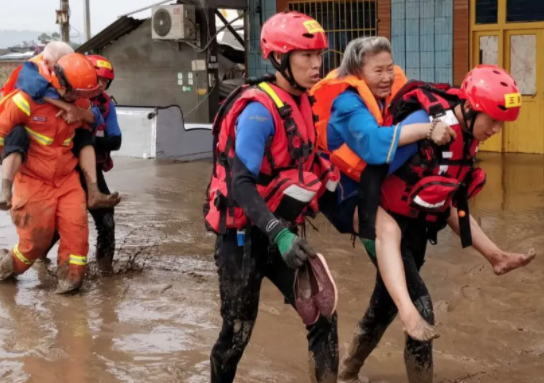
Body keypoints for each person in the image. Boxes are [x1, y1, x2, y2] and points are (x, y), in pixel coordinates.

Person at [337, 65, 536, 383]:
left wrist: (495, 256)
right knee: (421, 310)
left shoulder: (467, 139)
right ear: (471, 108)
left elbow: (449, 205)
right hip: (386, 224)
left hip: (416, 230)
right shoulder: (423, 127)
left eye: (503, 122)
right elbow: (369, 177)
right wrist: (367, 226)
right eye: (494, 120)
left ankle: (346, 373)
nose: (498, 129)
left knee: (382, 308)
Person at [204, 12, 339, 383]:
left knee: (324, 313)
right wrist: (279, 232)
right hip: (244, 239)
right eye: (305, 56)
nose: (316, 65)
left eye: (318, 56)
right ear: (280, 58)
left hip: (285, 237)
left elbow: (312, 169)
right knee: (237, 333)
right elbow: (240, 183)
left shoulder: (306, 103)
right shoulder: (258, 113)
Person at [312, 37, 454, 341]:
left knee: (444, 197)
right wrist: (427, 130)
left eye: (390, 69)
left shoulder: (386, 96)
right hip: (340, 190)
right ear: (357, 71)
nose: (388, 77)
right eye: (378, 71)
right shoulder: (347, 102)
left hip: (370, 183)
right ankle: (409, 314)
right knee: (388, 232)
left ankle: (495, 255)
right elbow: (376, 147)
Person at [0, 53, 103, 294]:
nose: (77, 98)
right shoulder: (24, 101)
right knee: (34, 245)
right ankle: (6, 268)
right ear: (59, 82)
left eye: (81, 94)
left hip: (67, 180)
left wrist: (77, 111)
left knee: (77, 232)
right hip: (33, 180)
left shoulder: (79, 100)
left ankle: (71, 280)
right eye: (73, 93)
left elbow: (94, 120)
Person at [0, 41, 120, 211]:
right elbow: (36, 88)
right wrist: (69, 107)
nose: (100, 86)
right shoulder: (35, 75)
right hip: (41, 160)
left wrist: (80, 113)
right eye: (98, 80)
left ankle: (94, 193)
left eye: (104, 82)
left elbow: (102, 124)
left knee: (92, 216)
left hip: (74, 161)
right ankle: (6, 189)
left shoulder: (96, 98)